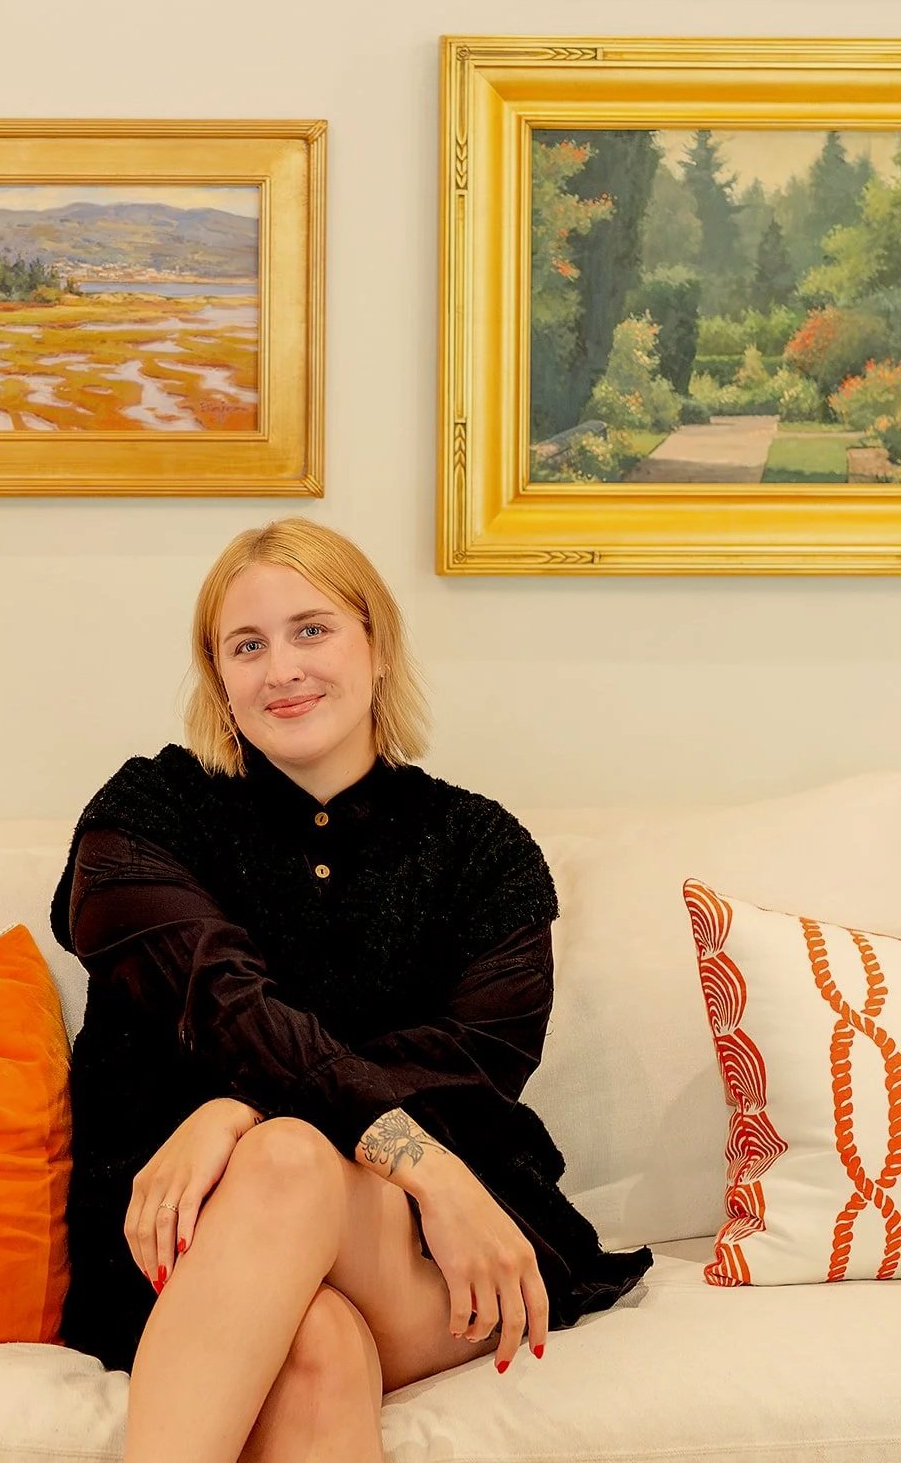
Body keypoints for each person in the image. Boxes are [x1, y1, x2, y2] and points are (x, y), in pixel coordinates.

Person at [49, 517, 652, 1463]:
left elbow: (470, 1070)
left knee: (285, 1155)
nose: (281, 668)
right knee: (313, 1341)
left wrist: (241, 1113)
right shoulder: (144, 817)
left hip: (422, 1248)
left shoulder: (481, 849)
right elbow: (221, 1003)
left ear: (377, 643)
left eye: (312, 629)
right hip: (175, 1245)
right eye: (247, 646)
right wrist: (409, 1156)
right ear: (218, 679)